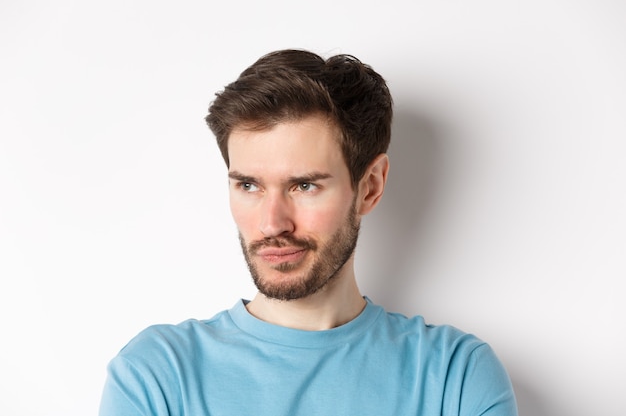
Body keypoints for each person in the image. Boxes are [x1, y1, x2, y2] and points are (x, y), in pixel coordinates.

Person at [99, 49, 518, 416]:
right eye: (249, 185)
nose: (271, 224)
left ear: (369, 186)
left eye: (304, 186)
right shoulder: (155, 376)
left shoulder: (455, 376)